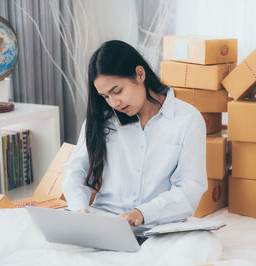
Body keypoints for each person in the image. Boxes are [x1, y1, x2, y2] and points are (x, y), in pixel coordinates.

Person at [62, 40, 207, 227]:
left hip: (159, 225)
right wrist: (79, 210)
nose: (113, 103)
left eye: (117, 91)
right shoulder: (102, 119)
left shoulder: (187, 119)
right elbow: (75, 172)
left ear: (140, 74)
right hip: (107, 220)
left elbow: (190, 188)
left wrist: (142, 213)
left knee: (198, 246)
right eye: (105, 96)